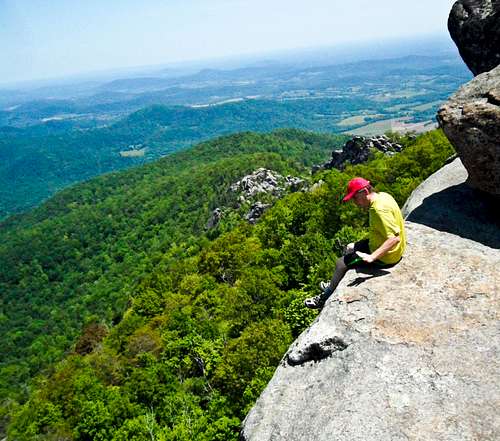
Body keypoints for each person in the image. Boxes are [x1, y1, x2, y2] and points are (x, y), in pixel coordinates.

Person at [304, 177, 406, 309]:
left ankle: (323, 299)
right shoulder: (384, 196)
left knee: (340, 263)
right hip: (381, 245)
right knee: (350, 247)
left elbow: (394, 238)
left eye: (355, 198)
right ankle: (335, 281)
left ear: (365, 192)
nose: (354, 202)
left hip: (386, 257)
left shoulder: (378, 210)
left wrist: (372, 257)